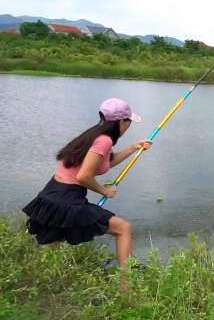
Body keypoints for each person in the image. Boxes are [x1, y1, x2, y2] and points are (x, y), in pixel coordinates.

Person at [22, 98, 152, 290]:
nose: (128, 126)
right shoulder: (104, 140)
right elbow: (84, 176)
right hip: (66, 199)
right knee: (123, 228)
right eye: (128, 122)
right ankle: (126, 287)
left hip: (51, 195)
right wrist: (103, 190)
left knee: (51, 249)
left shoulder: (93, 135)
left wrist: (134, 147)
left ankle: (38, 289)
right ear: (120, 122)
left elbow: (106, 161)